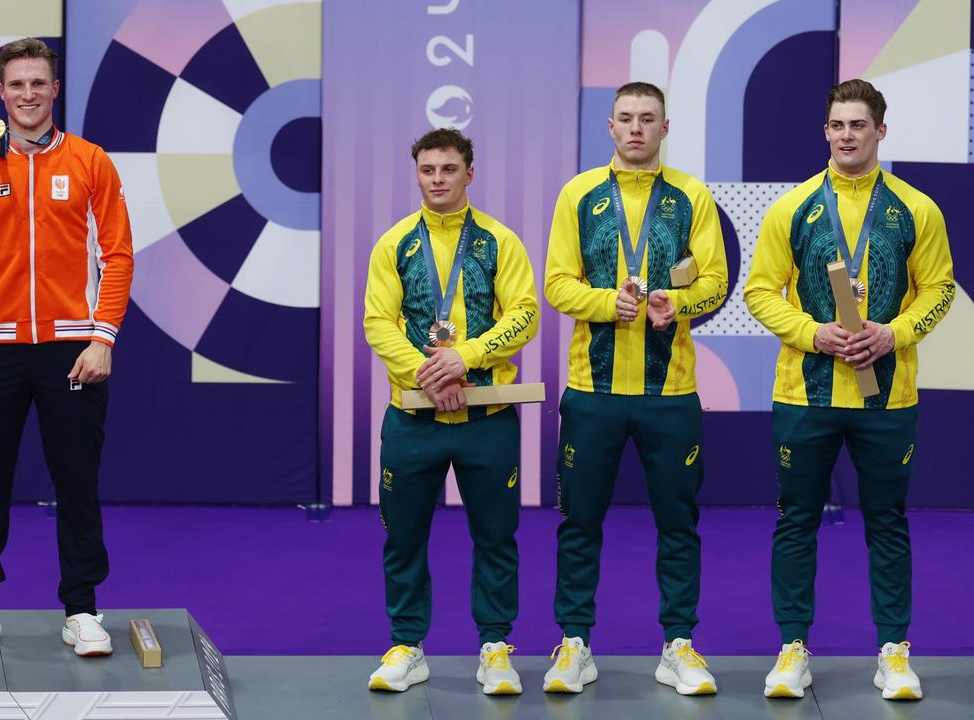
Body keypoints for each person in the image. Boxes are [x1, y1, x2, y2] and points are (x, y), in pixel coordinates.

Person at [0, 38, 133, 656]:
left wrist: (102, 338)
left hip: (72, 348)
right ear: (1, 94)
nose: (28, 95)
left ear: (55, 90)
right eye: (17, 85)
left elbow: (116, 256)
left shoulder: (91, 161)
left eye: (38, 84)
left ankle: (83, 610)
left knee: (77, 481)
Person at [745, 79, 954, 701]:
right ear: (825, 131)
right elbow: (760, 290)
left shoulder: (917, 208)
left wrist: (895, 334)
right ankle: (791, 650)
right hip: (804, 397)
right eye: (836, 125)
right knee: (795, 521)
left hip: (887, 400)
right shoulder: (794, 207)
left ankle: (893, 652)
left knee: (887, 522)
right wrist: (813, 334)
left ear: (880, 132)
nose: (845, 136)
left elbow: (939, 289)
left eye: (857, 126)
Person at [541, 82, 727, 695]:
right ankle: (574, 644)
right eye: (626, 118)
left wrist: (679, 300)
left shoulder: (691, 195)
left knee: (679, 522)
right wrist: (608, 304)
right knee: (579, 522)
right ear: (610, 126)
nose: (637, 128)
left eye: (648, 119)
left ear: (665, 128)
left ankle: (679, 644)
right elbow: (557, 284)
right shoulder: (579, 194)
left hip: (670, 395)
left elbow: (718, 282)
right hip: (591, 392)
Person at [363, 128, 539, 695]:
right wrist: (429, 372)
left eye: (448, 169)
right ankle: (407, 646)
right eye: (428, 170)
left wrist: (462, 358)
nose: (437, 179)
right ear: (417, 174)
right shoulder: (394, 243)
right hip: (413, 418)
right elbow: (377, 324)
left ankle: (495, 648)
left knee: (496, 536)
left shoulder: (499, 241)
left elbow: (524, 316)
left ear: (469, 173)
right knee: (405, 537)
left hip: (487, 420)